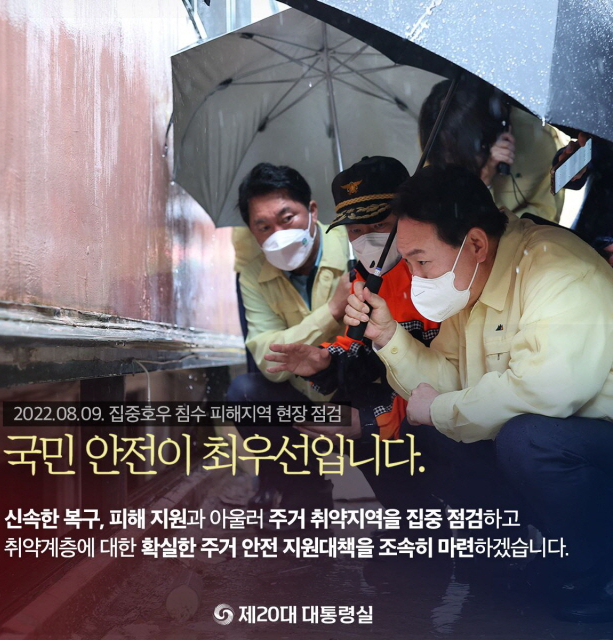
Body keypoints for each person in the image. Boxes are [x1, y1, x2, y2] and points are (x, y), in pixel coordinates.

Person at [344, 164, 613, 622]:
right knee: (428, 430)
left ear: (475, 244)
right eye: (407, 261)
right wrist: (388, 337)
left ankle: (591, 574)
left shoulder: (558, 269)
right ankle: (506, 553)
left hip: (592, 443)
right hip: (552, 445)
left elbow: (544, 393)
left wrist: (439, 409)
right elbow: (448, 380)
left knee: (527, 439)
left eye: (421, 261)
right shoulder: (471, 279)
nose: (414, 275)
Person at [264, 156, 440, 511]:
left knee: (367, 421)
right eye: (355, 230)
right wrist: (324, 361)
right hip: (400, 400)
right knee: (344, 406)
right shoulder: (363, 277)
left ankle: (429, 520)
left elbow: (444, 374)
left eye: (379, 224)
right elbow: (356, 347)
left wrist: (374, 421)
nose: (367, 238)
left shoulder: (437, 273)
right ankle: (406, 516)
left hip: (439, 403)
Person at [226, 162, 350, 510]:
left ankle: (410, 509)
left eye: (287, 218)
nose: (278, 234)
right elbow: (270, 361)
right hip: (303, 401)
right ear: (252, 233)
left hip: (359, 398)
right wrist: (332, 311)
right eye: (264, 227)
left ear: (312, 211)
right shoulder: (253, 277)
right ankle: (307, 490)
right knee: (245, 394)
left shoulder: (354, 248)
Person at [420, 76, 564, 221]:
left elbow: (547, 215)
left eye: (457, 153)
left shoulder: (537, 142)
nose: (448, 160)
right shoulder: (437, 140)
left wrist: (484, 187)